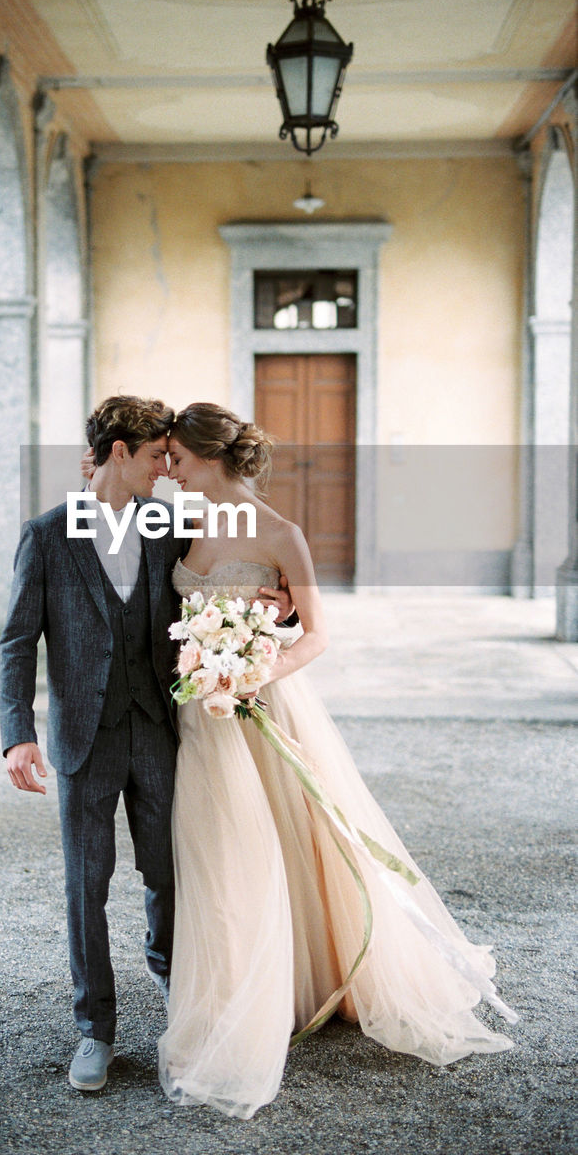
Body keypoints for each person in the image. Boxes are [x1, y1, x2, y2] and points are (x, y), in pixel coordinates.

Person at [157, 402, 516, 1120]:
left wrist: (250, 672)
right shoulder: (180, 523)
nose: (168, 469)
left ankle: (279, 992)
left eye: (176, 457)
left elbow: (316, 635)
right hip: (196, 714)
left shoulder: (282, 534)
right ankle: (244, 985)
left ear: (209, 456)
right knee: (213, 850)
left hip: (256, 704)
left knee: (270, 842)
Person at [0, 393, 293, 1092]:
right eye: (157, 454)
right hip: (82, 742)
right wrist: (17, 734)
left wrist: (271, 609)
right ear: (118, 454)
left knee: (169, 877)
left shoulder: (172, 525)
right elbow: (16, 641)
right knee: (85, 887)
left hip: (163, 733)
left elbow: (232, 569)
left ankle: (176, 1002)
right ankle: (93, 1030)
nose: (168, 466)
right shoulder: (44, 535)